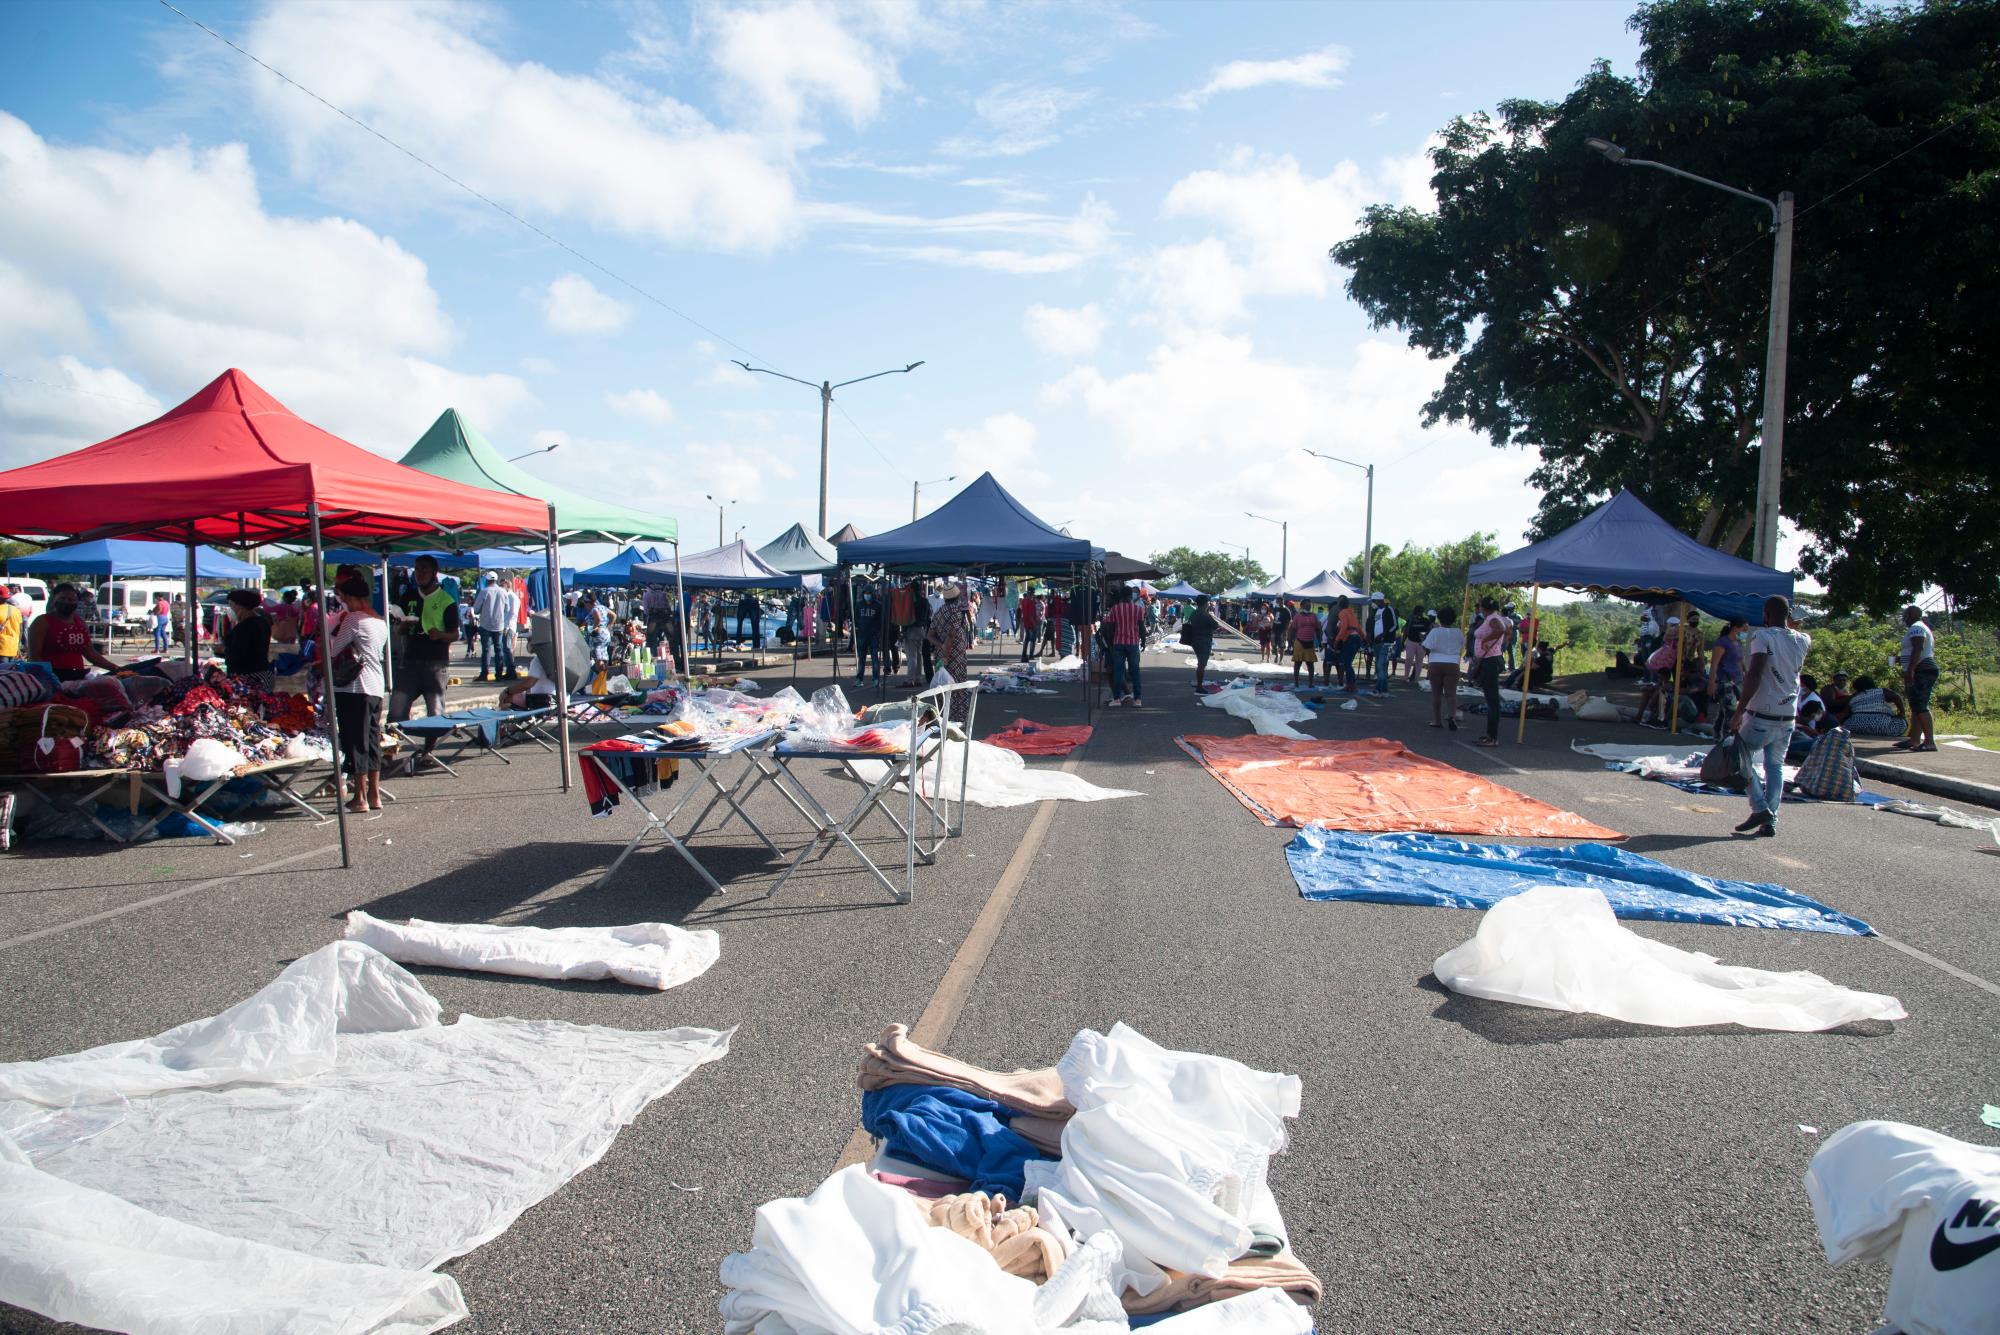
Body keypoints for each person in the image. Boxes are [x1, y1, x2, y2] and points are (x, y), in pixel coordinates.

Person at [1729, 595, 1811, 838]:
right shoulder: (1804, 640)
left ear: (1765, 615)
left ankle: (1760, 808)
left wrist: (1739, 710)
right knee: (1775, 766)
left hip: (1761, 713)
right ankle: (1771, 819)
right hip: (1788, 716)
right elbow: (1792, 635)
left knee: (1739, 758)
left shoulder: (1762, 637)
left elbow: (1754, 673)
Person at [389, 554, 459, 771]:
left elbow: (455, 634)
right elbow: (398, 626)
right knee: (396, 711)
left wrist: (439, 634)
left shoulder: (446, 600)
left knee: (435, 711)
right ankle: (390, 752)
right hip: (409, 660)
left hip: (435, 663)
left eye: (424, 570)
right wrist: (400, 627)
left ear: (434, 573)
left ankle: (429, 751)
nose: (419, 574)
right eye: (417, 570)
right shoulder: (408, 596)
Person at [327, 574, 387, 813]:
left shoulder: (353, 619)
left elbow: (334, 649)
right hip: (375, 686)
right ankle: (374, 794)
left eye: (344, 598)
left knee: (355, 742)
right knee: (372, 741)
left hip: (354, 688)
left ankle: (359, 796)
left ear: (351, 597)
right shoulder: (379, 621)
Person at [27, 584, 117, 682]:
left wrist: (116, 669)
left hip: (78, 676)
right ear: (54, 599)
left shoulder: (80, 623)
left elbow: (90, 653)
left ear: (77, 602)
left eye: (71, 600)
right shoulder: (42, 622)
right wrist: (49, 677)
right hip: (52, 677)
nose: (66, 602)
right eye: (62, 598)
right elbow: (34, 656)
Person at [926, 584, 975, 721]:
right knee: (956, 686)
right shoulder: (956, 612)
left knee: (943, 686)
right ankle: (956, 717)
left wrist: (941, 646)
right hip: (954, 657)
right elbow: (951, 636)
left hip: (941, 656)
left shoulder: (939, 611)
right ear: (957, 597)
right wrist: (946, 654)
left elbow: (929, 635)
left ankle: (942, 715)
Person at [1467, 596, 1508, 747]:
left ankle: (1493, 737)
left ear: (1484, 609)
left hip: (1490, 660)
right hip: (1487, 658)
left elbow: (1502, 630)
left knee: (1492, 700)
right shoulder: (1492, 618)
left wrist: (1485, 641)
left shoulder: (1492, 619)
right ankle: (1489, 734)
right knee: (1490, 699)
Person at [1898, 605, 1939, 752]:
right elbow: (1915, 650)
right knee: (1916, 705)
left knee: (1921, 706)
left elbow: (1918, 648)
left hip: (1921, 669)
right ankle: (1914, 740)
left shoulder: (1916, 627)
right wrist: (1901, 659)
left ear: (1910, 615)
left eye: (1905, 615)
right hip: (1920, 668)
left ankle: (1929, 742)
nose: (1904, 618)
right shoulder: (1920, 626)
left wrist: (1911, 670)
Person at [1421, 607, 1464, 729]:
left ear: (1439, 618)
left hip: (1436, 663)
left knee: (1436, 694)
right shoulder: (1458, 632)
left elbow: (1426, 647)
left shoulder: (1435, 631)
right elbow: (1462, 646)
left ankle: (1437, 720)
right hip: (1453, 663)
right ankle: (1452, 716)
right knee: (1451, 694)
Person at [221, 589, 274, 687]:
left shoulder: (244, 627)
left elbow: (236, 656)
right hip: (263, 674)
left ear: (240, 606)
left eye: (231, 605)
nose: (230, 609)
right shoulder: (262, 622)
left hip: (248, 679)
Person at [473, 574, 517, 683]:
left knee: (486, 650)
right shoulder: (503, 592)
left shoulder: (484, 591)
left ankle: (484, 674)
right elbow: (507, 608)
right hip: (499, 625)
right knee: (499, 650)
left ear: (487, 580)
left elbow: (476, 609)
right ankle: (499, 674)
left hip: (485, 625)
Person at [1839, 675, 1908, 738]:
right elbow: (1896, 697)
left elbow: (1845, 714)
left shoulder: (1853, 697)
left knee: (1847, 723)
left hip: (1855, 726)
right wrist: (1902, 712)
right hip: (1882, 726)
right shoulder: (1881, 691)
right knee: (1902, 722)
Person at [1182, 595, 1221, 690]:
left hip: (1195, 640)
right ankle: (1199, 686)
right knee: (1201, 665)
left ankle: (1199, 683)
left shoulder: (1194, 613)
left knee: (1200, 663)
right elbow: (1216, 625)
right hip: (1204, 640)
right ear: (1205, 603)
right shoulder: (1206, 615)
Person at [1286, 600, 1321, 690]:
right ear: (1302, 606)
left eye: (1309, 605)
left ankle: (1311, 683)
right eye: (1306, 605)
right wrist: (1290, 642)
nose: (1308, 606)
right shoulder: (1297, 617)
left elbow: (1318, 629)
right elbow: (1292, 629)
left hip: (1310, 642)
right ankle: (1296, 683)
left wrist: (1320, 642)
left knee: (1310, 664)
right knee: (1297, 663)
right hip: (1299, 642)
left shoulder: (1314, 616)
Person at [1368, 592, 1399, 694]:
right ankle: (1384, 689)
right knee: (1381, 666)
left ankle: (1379, 688)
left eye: (1373, 601)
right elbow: (1375, 625)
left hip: (1386, 643)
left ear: (1379, 600)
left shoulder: (1389, 609)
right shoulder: (1377, 611)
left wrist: (1383, 635)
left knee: (1380, 665)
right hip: (1377, 643)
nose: (1373, 603)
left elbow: (1395, 625)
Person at [1332, 596, 1363, 692]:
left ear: (1339, 605)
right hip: (1357, 638)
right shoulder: (1352, 613)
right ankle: (1351, 684)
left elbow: (1344, 627)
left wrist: (1337, 640)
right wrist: (1364, 637)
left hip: (1350, 639)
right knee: (1348, 663)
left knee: (1347, 663)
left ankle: (1351, 685)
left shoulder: (1342, 613)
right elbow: (1358, 627)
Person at [854, 585, 884, 683]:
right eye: (865, 593)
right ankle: (859, 679)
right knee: (861, 658)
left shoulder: (878, 605)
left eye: (869, 593)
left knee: (875, 658)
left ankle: (875, 678)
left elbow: (881, 620)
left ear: (872, 594)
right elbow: (856, 618)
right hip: (862, 634)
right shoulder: (859, 605)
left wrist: (878, 632)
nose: (867, 595)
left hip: (874, 635)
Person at [1401, 608, 1431, 682]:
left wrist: (1426, 642)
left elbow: (1429, 631)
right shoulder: (1410, 620)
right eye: (1417, 613)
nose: (1418, 614)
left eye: (1420, 612)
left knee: (1419, 661)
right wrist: (1403, 642)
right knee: (1409, 659)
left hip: (1421, 643)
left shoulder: (1426, 621)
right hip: (1411, 641)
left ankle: (1416, 679)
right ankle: (1406, 677)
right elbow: (1406, 631)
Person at [0, 589, 21, 661]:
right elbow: (20, 630)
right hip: (13, 648)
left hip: (1, 649)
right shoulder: (16, 610)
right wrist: (18, 646)